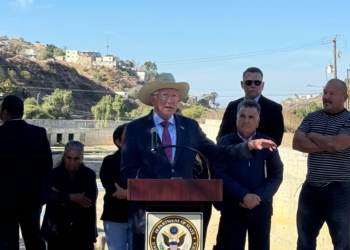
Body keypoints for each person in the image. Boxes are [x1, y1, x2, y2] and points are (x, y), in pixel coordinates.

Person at [120, 73, 278, 249]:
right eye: (165, 95)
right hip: (147, 214)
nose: (170, 101)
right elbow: (127, 170)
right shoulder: (135, 128)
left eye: (174, 96)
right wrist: (155, 187)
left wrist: (248, 146)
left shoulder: (190, 126)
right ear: (153, 98)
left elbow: (216, 153)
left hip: (185, 215)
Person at [213, 100, 283, 250]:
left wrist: (258, 197)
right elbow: (219, 173)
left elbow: (276, 174)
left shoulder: (267, 143)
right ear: (236, 118)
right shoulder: (223, 143)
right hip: (233, 209)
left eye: (251, 117)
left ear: (258, 122)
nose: (246, 120)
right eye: (242, 116)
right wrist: (243, 195)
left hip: (260, 210)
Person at [292, 79, 350, 250]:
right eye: (325, 92)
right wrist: (329, 143)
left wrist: (313, 135)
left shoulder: (348, 119)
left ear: (345, 97)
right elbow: (297, 143)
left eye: (332, 93)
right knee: (304, 242)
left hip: (339, 191)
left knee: (342, 244)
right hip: (311, 189)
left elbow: (337, 145)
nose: (326, 97)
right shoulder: (311, 117)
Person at [0, 95, 53, 250]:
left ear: (4, 113)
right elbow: (47, 166)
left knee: (6, 241)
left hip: (4, 200)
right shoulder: (39, 133)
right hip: (32, 197)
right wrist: (43, 193)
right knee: (34, 238)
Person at [41, 140, 98, 250]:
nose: (72, 162)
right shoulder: (54, 174)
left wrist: (60, 197)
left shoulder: (89, 175)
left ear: (82, 158)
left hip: (82, 230)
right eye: (69, 158)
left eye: (76, 159)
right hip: (57, 230)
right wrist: (72, 197)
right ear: (64, 156)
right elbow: (47, 196)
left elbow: (89, 201)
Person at [217, 67, 284, 146]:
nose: (253, 85)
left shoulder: (274, 109)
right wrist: (238, 151)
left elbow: (276, 139)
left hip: (261, 156)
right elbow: (222, 136)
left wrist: (253, 149)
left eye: (257, 83)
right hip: (233, 154)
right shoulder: (232, 106)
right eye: (249, 82)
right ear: (242, 84)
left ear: (262, 85)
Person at [100, 124, 133, 250]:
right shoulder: (109, 161)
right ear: (118, 142)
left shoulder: (144, 161)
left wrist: (127, 192)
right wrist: (133, 191)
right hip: (115, 217)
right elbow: (113, 189)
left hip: (138, 217)